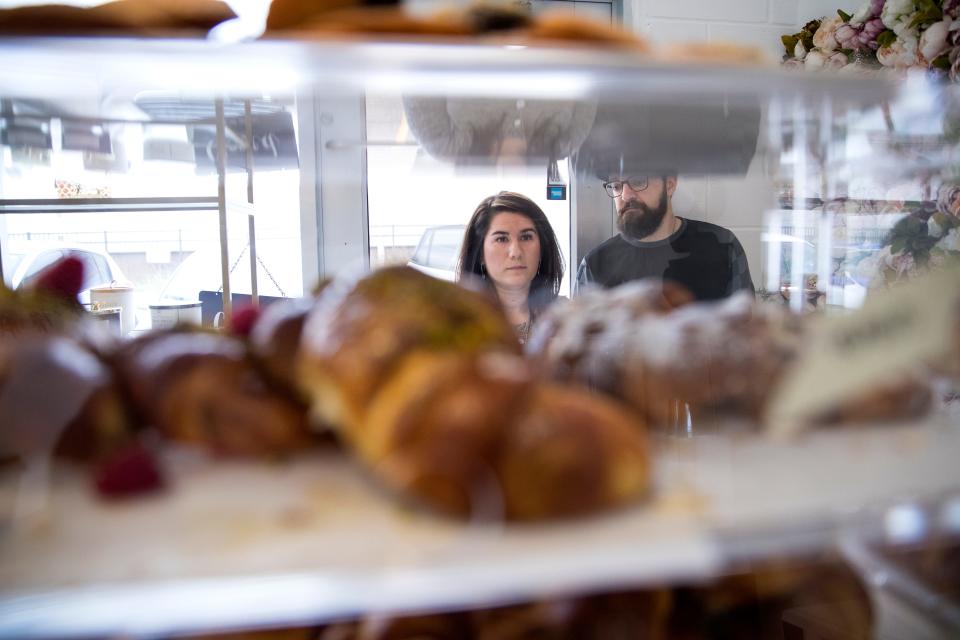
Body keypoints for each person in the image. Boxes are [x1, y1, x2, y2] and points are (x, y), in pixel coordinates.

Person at [576, 174, 755, 301]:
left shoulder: (722, 247)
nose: (625, 195)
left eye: (638, 180)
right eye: (616, 185)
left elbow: (750, 338)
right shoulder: (595, 265)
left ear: (670, 184)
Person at [457, 191, 564, 344]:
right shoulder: (457, 324)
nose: (516, 252)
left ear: (542, 249)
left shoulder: (565, 318)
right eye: (501, 239)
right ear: (480, 253)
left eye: (526, 237)